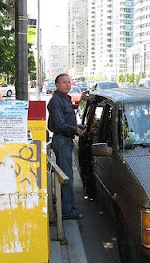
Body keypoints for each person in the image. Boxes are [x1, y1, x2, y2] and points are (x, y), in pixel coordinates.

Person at [47, 73, 85, 219]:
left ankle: (68, 206)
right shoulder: (56, 100)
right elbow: (60, 124)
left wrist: (78, 126)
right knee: (66, 176)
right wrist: (75, 129)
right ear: (57, 85)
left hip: (66, 140)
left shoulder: (65, 98)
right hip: (62, 141)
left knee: (67, 175)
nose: (68, 85)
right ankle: (67, 211)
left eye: (69, 82)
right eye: (64, 82)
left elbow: (66, 122)